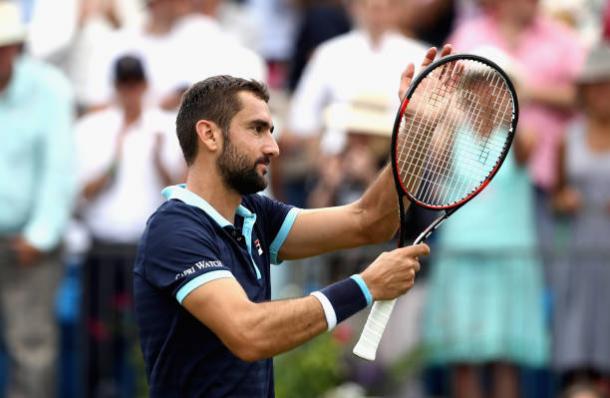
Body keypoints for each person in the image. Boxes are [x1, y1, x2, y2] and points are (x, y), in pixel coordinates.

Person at [133, 45, 453, 397]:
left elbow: (370, 221)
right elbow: (248, 332)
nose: (273, 147)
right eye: (257, 129)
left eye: (271, 130)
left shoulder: (255, 214)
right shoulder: (174, 229)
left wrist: (417, 129)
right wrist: (364, 286)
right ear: (209, 135)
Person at [421, 48, 547, 398]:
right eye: (478, 84)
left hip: (510, 257)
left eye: (494, 84)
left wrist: (514, 108)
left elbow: (525, 153)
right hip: (461, 256)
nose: (486, 92)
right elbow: (438, 161)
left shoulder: (522, 133)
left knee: (505, 360)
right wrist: (449, 115)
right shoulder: (452, 131)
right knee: (464, 360)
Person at [75, 54, 184, 397]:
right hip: (103, 247)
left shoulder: (166, 126)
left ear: (144, 86)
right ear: (117, 87)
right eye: (125, 85)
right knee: (98, 339)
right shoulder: (92, 129)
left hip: (147, 250)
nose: (130, 92)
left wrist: (156, 161)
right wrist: (114, 161)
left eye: (135, 84)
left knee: (149, 339)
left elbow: (182, 191)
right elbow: (80, 195)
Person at [0, 2, 76, 397]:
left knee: (30, 349)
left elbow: (58, 169)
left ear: (14, 47)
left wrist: (40, 235)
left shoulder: (49, 88)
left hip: (26, 245)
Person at [552, 41, 610, 398]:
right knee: (578, 342)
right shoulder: (566, 139)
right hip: (578, 256)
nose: (603, 93)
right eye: (597, 85)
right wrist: (565, 199)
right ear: (585, 92)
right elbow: (556, 197)